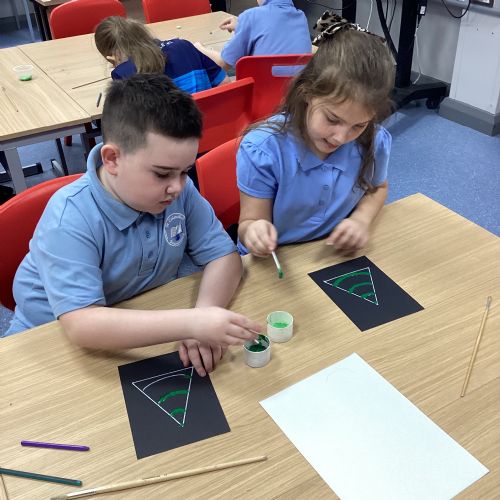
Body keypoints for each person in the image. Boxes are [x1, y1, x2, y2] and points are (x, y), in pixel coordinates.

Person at [5, 74, 261, 376]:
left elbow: (224, 256)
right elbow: (82, 324)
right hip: (47, 340)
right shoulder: (69, 217)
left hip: (135, 316)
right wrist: (192, 323)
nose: (178, 186)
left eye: (185, 171)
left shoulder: (177, 191)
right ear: (112, 159)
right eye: (162, 174)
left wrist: (205, 314)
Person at [236, 13, 395, 257]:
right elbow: (249, 223)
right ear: (307, 93)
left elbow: (378, 187)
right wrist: (254, 231)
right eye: (332, 119)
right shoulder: (264, 149)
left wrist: (361, 219)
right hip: (275, 260)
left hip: (329, 255)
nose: (341, 137)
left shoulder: (375, 140)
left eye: (359, 125)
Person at [94, 17, 230, 93]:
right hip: (214, 128)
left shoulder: (122, 73)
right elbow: (225, 83)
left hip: (169, 135)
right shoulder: (183, 45)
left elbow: (129, 122)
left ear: (111, 57)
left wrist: (119, 66)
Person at [194, 0, 311, 71]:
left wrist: (199, 48)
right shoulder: (301, 17)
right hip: (295, 99)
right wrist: (242, 26)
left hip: (259, 96)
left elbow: (223, 64)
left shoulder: (251, 16)